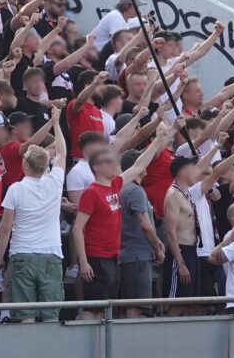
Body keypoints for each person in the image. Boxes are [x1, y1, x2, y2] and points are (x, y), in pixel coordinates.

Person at [70, 125, 173, 321]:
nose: (112, 164)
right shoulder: (92, 192)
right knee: (94, 309)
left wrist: (158, 142)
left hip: (112, 256)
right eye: (107, 162)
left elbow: (137, 166)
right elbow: (77, 228)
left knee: (106, 308)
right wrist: (83, 262)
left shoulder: (114, 185)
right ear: (96, 167)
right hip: (96, 257)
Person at [0, 108, 69, 322]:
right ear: (46, 165)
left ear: (25, 165)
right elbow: (63, 153)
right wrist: (56, 122)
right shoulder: (55, 182)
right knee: (50, 316)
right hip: (51, 255)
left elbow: (5, 228)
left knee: (25, 315)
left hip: (22, 255)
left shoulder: (15, 189)